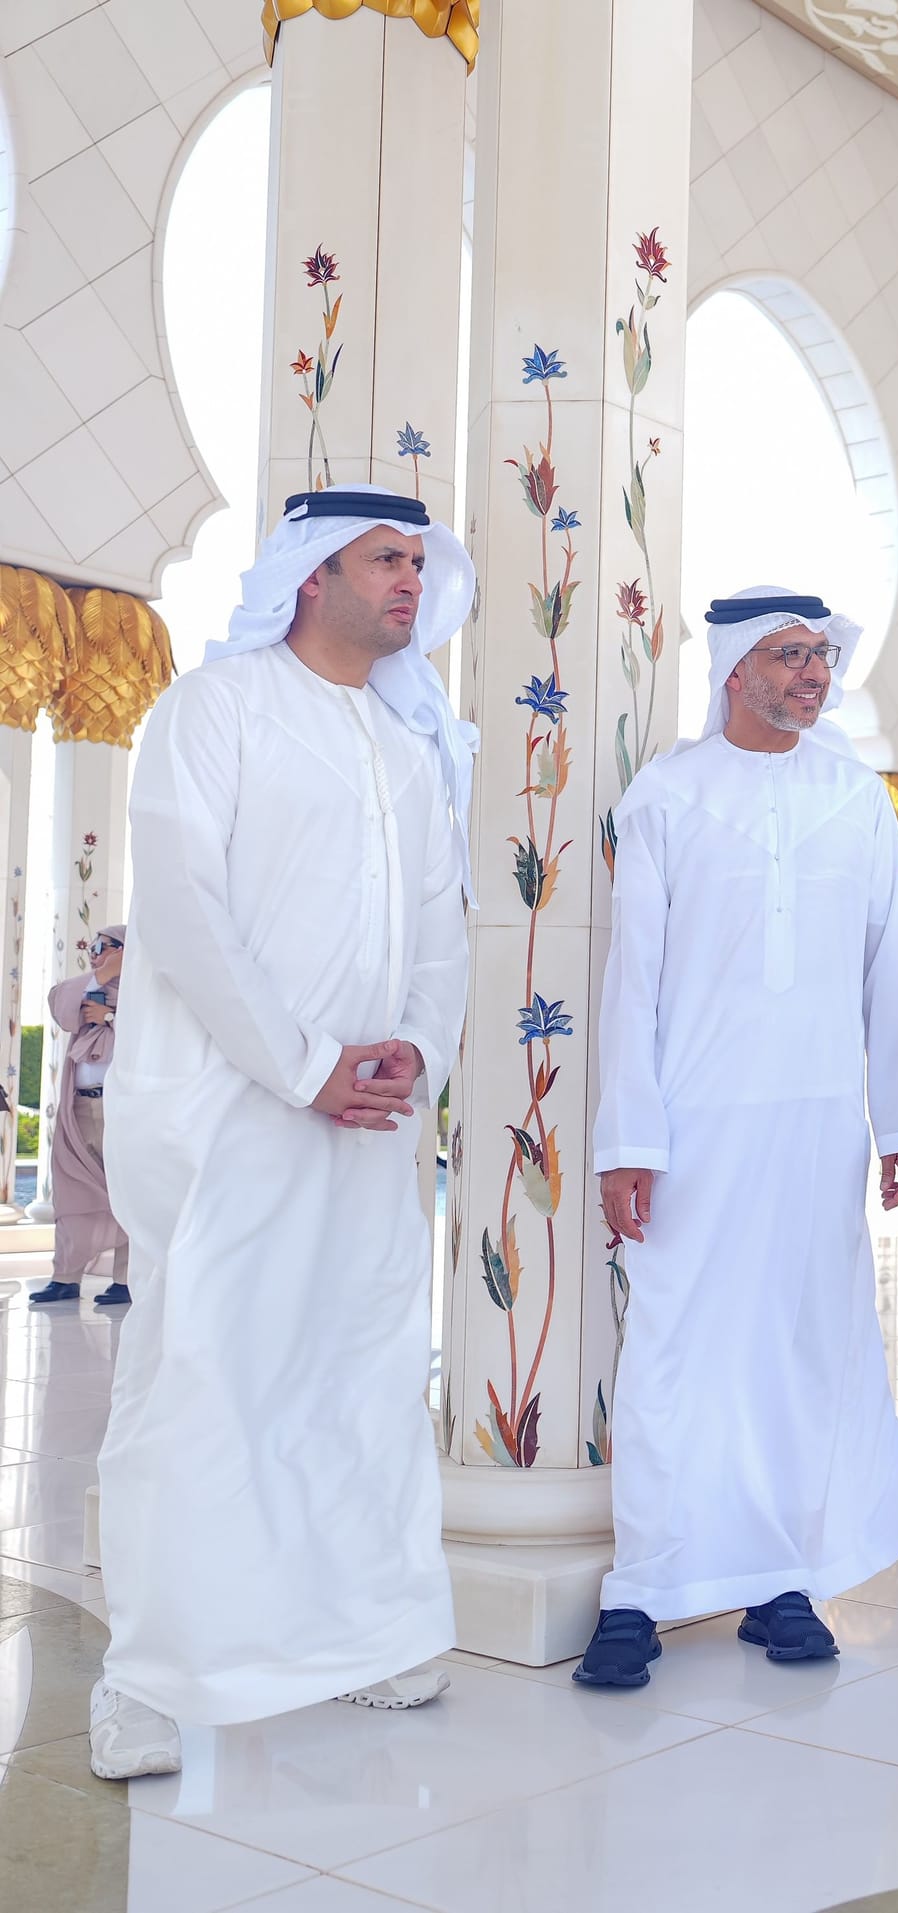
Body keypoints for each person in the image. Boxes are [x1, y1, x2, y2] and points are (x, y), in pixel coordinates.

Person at [89, 485, 476, 1781]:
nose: (409, 581)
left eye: (420, 562)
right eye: (386, 559)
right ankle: (145, 1679)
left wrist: (412, 1047)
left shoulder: (408, 750)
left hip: (366, 1125)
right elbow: (188, 913)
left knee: (359, 1378)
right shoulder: (212, 712)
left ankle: (368, 1636)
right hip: (231, 1116)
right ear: (313, 575)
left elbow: (440, 930)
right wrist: (308, 1065)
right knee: (199, 1381)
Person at [575, 586, 898, 1688]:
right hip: (692, 1125)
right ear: (735, 667)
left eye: (822, 656)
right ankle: (643, 1586)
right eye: (789, 655)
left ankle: (780, 1577)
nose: (811, 674)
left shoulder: (853, 798)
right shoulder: (669, 797)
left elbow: (891, 963)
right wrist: (625, 1138)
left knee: (795, 1345)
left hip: (817, 1124)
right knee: (674, 1348)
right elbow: (631, 981)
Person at [30, 928, 132, 1307]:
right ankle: (65, 1278)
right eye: (92, 947)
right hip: (80, 1109)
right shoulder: (86, 989)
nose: (95, 953)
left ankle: (125, 1280)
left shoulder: (144, 995)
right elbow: (61, 1004)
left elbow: (154, 1041)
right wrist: (103, 975)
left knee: (128, 1195)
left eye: (105, 947)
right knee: (72, 1193)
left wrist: (109, 1017)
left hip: (124, 1110)